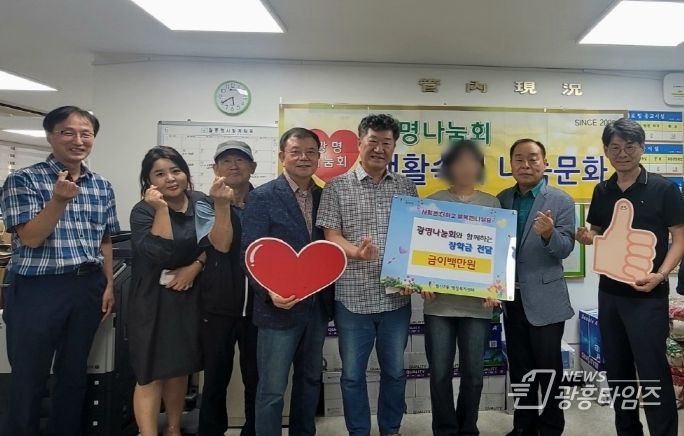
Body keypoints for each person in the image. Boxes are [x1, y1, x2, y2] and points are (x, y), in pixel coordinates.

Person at [0, 106, 120, 436]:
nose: (78, 140)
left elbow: (105, 239)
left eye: (86, 134)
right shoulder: (23, 180)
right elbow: (31, 237)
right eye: (68, 132)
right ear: (51, 136)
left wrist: (109, 284)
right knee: (29, 376)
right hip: (38, 288)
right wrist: (58, 201)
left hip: (87, 287)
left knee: (73, 375)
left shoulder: (102, 185)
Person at [575, 118, 684, 436]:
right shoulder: (602, 190)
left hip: (648, 295)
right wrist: (586, 237)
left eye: (630, 146)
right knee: (618, 371)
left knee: (653, 372)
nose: (622, 153)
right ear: (606, 150)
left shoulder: (664, 189)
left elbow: (680, 238)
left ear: (642, 147)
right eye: (615, 147)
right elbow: (597, 232)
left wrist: (660, 275)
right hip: (609, 294)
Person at [317, 114, 418, 436]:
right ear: (359, 144)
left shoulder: (405, 186)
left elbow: (416, 237)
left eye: (386, 142)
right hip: (352, 298)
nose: (379, 148)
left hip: (395, 299)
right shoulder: (336, 186)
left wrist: (414, 275)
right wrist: (356, 252)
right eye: (373, 141)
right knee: (352, 375)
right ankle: (358, 431)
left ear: (394, 147)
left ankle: (391, 429)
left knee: (395, 372)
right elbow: (331, 235)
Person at [241, 128, 333, 436]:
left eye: (311, 152)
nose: (303, 158)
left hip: (316, 308)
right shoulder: (262, 197)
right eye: (296, 152)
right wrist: (268, 292)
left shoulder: (326, 196)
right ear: (282, 156)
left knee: (309, 381)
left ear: (319, 157)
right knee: (271, 388)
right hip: (277, 309)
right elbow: (249, 253)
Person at [128, 146, 217, 436]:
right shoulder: (143, 211)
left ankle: (174, 429)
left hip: (187, 294)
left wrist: (195, 267)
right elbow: (160, 252)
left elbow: (212, 244)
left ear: (186, 173)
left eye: (176, 170)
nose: (170, 178)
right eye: (160, 174)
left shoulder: (201, 202)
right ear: (149, 180)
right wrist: (162, 209)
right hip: (151, 299)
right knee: (149, 371)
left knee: (179, 367)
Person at [421, 140, 500, 436]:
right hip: (439, 305)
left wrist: (496, 288)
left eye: (471, 162)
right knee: (440, 374)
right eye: (458, 162)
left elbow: (499, 253)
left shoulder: (492, 205)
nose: (465, 168)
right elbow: (422, 250)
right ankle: (445, 430)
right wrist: (420, 281)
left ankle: (468, 429)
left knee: (474, 375)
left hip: (477, 306)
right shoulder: (432, 202)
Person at [497, 139, 575, 436]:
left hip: (546, 297)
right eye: (519, 159)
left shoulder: (561, 200)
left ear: (545, 163)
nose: (525, 165)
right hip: (511, 297)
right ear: (511, 165)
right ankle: (524, 425)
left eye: (532, 159)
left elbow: (565, 248)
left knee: (548, 368)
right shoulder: (502, 199)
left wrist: (549, 234)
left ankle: (552, 427)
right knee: (520, 366)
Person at [195, 140, 258, 436]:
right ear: (216, 168)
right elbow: (221, 244)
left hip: (259, 307)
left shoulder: (265, 201)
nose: (234, 165)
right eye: (226, 160)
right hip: (217, 305)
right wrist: (222, 205)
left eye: (241, 160)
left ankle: (253, 431)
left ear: (252, 167)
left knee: (256, 379)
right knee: (215, 379)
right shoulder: (204, 204)